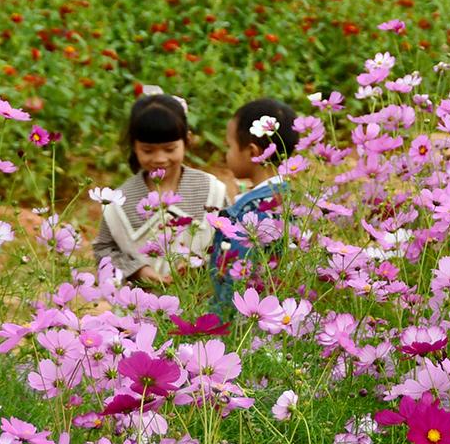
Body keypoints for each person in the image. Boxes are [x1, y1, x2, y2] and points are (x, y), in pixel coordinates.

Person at [93, 90, 227, 287]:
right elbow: (103, 249)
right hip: (140, 308)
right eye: (147, 151)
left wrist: (202, 266)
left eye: (170, 149)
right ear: (134, 146)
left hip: (203, 303)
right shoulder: (119, 201)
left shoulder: (211, 190)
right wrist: (138, 271)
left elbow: (230, 239)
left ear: (187, 140)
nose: (159, 159)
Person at [209, 98, 298, 306]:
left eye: (229, 146)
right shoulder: (294, 201)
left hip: (244, 319)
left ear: (253, 152)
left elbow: (233, 279)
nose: (226, 154)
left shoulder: (249, 214)